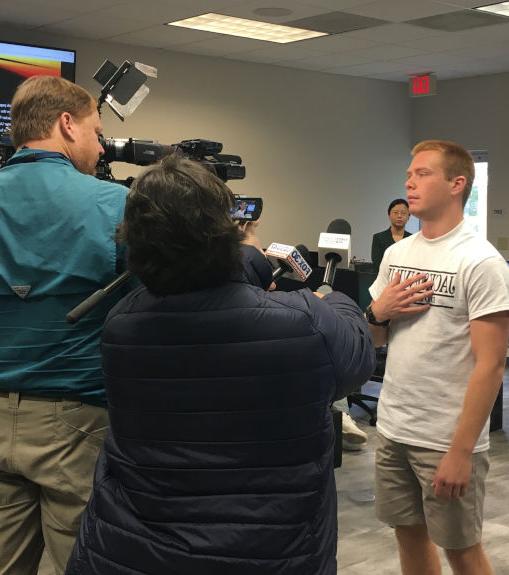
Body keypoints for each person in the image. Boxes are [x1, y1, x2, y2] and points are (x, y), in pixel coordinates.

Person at [65, 155, 375, 575]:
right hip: (270, 551)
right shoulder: (303, 320)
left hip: (136, 549)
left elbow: (198, 283)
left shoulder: (122, 324)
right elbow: (357, 355)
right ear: (223, 233)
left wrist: (249, 260)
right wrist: (330, 299)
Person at [0, 76, 127, 574]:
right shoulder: (111, 204)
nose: (100, 148)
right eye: (97, 133)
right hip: (73, 419)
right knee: (75, 560)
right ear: (66, 124)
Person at [366, 140, 509, 575]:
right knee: (408, 536)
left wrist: (461, 451)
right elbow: (374, 338)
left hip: (445, 439)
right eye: (409, 173)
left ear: (457, 184)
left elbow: (491, 365)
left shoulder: (480, 261)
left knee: (462, 550)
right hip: (394, 428)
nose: (409, 182)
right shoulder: (397, 254)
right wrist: (377, 312)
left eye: (423, 173)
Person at [371, 198, 411, 274]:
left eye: (403, 213)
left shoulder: (412, 239)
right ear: (389, 215)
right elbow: (378, 265)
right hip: (385, 282)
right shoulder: (378, 238)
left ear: (409, 217)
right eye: (395, 212)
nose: (399, 216)